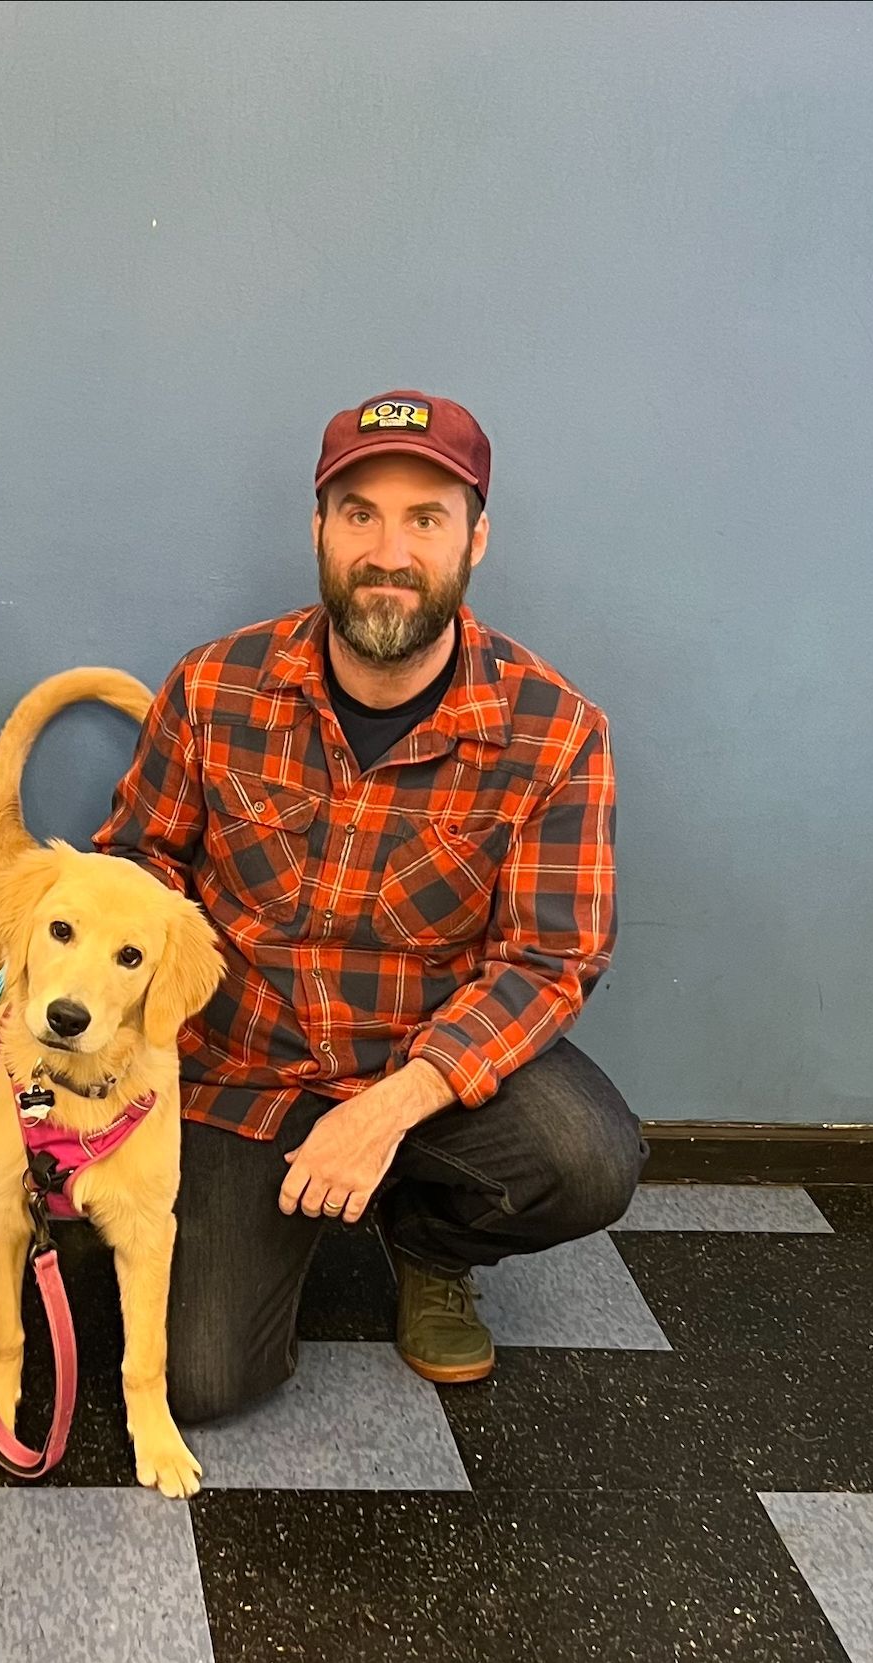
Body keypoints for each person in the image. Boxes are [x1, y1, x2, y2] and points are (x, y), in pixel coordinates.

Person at [96, 391, 645, 1420]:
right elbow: (139, 862)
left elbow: (548, 960)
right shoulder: (211, 686)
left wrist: (385, 1112)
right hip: (236, 1069)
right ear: (317, 529)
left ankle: (427, 1243)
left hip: (419, 1067)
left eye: (424, 518)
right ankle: (270, 1224)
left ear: (475, 538)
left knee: (587, 1158)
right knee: (196, 1384)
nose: (387, 550)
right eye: (358, 513)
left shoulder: (556, 731)